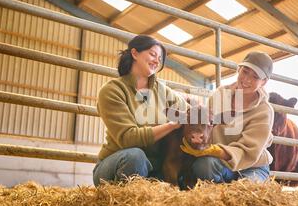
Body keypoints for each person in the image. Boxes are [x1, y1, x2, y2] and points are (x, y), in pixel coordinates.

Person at [93, 35, 187, 186]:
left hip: (156, 168)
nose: (157, 61)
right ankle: (127, 205)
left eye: (160, 58)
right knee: (135, 156)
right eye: (152, 54)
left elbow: (190, 114)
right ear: (135, 53)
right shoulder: (113, 90)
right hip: (119, 166)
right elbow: (128, 138)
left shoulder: (163, 91)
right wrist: (172, 125)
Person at [180, 51, 274, 184]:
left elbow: (249, 152)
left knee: (246, 192)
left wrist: (216, 150)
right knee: (203, 166)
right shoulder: (219, 94)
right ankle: (220, 194)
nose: (247, 79)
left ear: (264, 82)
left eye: (255, 77)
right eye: (245, 71)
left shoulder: (264, 111)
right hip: (220, 162)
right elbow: (207, 128)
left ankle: (232, 190)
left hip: (252, 166)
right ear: (238, 69)